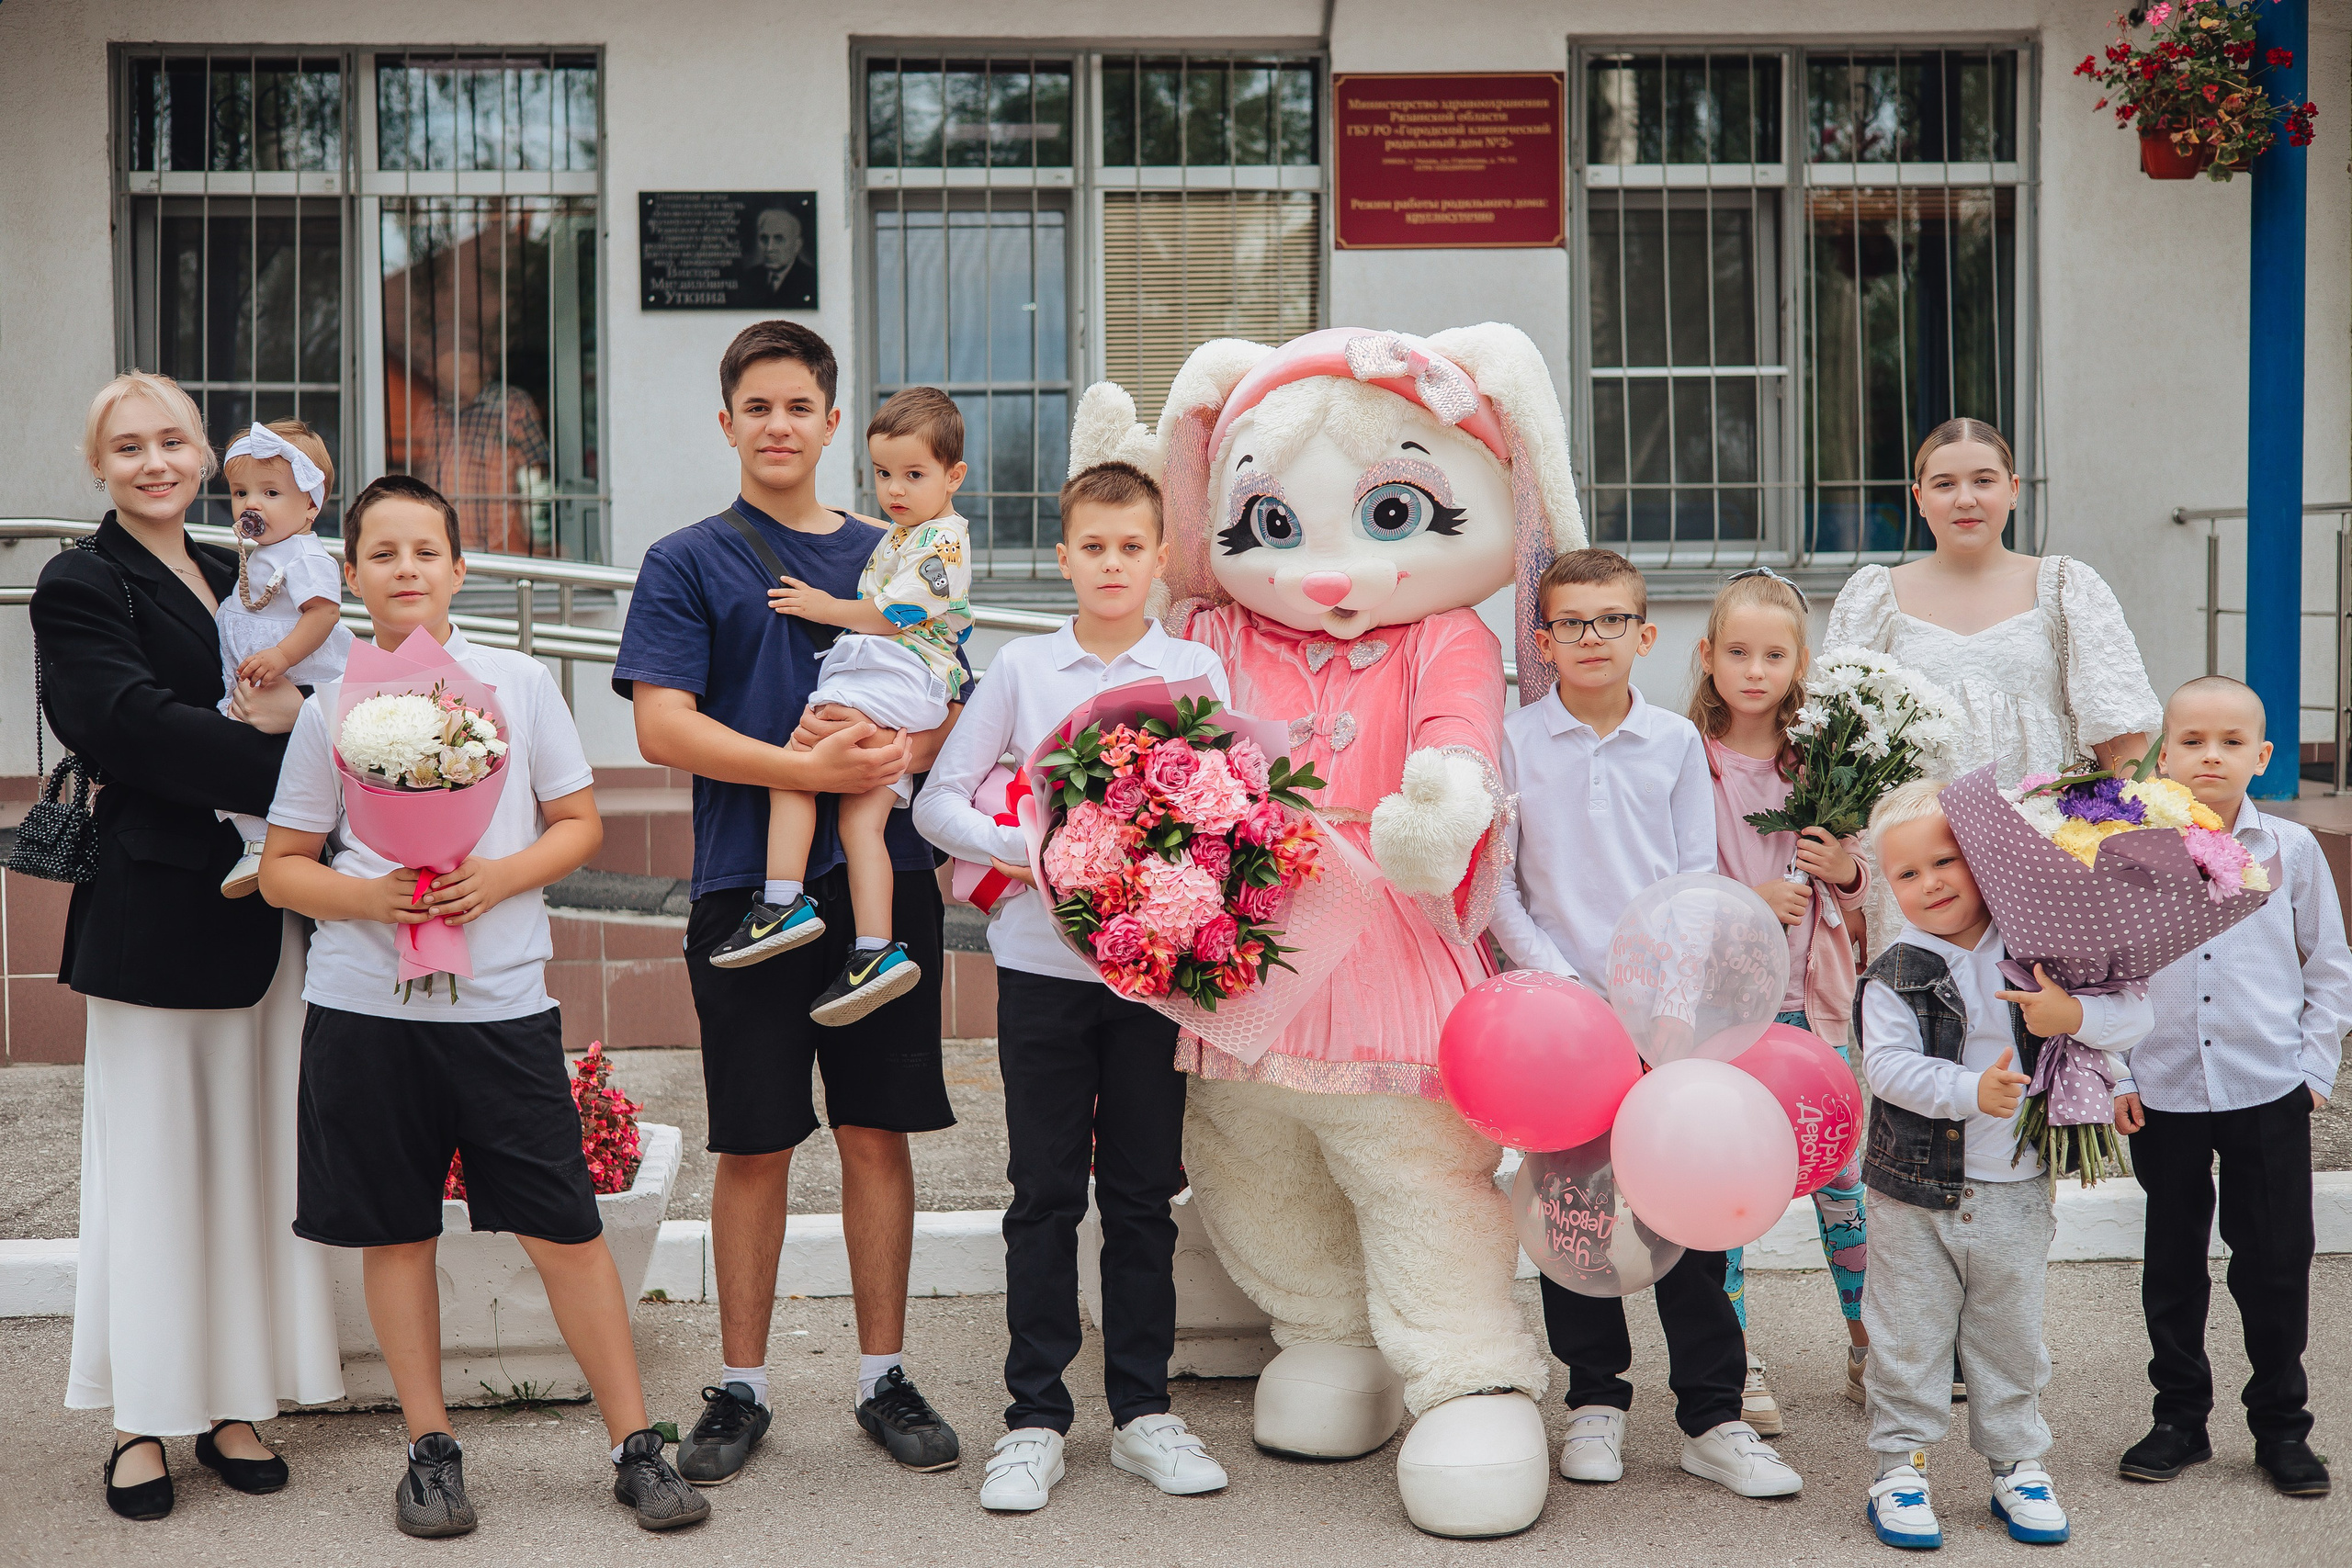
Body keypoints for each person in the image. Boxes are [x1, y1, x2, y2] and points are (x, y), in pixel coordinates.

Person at [256, 475, 707, 1537]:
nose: (405, 569)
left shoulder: (519, 681)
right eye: (382, 554)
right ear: (352, 575)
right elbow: (282, 868)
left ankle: (636, 1445)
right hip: (366, 1009)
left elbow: (578, 822)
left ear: (459, 569)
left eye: (426, 551)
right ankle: (430, 1451)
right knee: (396, 1232)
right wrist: (370, 897)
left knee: (565, 1229)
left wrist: (499, 877)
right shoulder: (332, 704)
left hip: (499, 1007)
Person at [617, 320, 963, 1485]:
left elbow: (950, 689)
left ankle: (883, 1377)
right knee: (756, 1137)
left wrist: (903, 750)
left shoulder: (898, 546)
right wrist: (804, 770)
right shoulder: (686, 560)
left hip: (882, 884)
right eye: (756, 407)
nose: (778, 425)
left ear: (831, 421)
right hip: (745, 887)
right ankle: (741, 1388)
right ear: (728, 424)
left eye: (798, 406)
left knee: (876, 1130)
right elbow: (662, 725)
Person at [38, 371, 341, 1523]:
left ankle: (233, 1403)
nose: (154, 462)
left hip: (268, 911)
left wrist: (335, 735)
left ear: (206, 454)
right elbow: (125, 725)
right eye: (128, 447)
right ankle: (141, 1418)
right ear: (99, 465)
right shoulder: (82, 581)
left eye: (172, 440)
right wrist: (305, 764)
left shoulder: (244, 566)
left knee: (251, 1165)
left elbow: (322, 681)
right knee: (156, 1171)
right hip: (156, 911)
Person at [913, 461, 1235, 1513]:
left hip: (1151, 980)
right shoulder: (1021, 669)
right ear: (1063, 557)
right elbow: (935, 804)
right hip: (1041, 971)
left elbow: (1230, 811)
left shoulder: (1192, 670)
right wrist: (1038, 849)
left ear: (1159, 559)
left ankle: (1143, 1413)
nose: (1110, 564)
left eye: (1130, 547)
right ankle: (1034, 1420)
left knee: (1142, 1195)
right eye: (1092, 546)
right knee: (1044, 1193)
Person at [1487, 548, 1802, 1500]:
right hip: (1561, 1020)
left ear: (1645, 634)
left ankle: (1712, 1416)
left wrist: (1665, 1004)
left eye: (1612, 620)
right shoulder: (1511, 743)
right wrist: (1562, 989)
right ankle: (1594, 1399)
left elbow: (1693, 877)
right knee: (1575, 1210)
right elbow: (1499, 885)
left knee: (1689, 1210)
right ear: (1543, 641)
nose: (1593, 637)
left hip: (1669, 1013)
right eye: (1571, 622)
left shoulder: (1672, 743)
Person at [1854, 778, 2153, 1550]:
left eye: (1944, 860)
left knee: (2009, 1335)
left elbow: (2131, 1011)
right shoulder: (1894, 972)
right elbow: (1886, 1068)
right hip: (1913, 1192)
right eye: (1907, 873)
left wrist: (2074, 1018)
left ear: (1984, 858)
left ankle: (2017, 1462)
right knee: (1907, 1335)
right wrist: (1968, 1090)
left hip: (2015, 1187)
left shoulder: (2038, 948)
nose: (1930, 883)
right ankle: (1900, 1466)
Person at [2112, 677, 2345, 1499]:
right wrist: (2116, 1072)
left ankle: (2282, 1426)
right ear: (2163, 754)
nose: (2211, 755)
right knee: (2173, 1262)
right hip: (2162, 1087)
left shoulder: (2291, 848)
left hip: (2267, 1085)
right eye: (2192, 740)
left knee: (2275, 1262)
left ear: (2263, 755)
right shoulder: (2129, 851)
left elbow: (2330, 964)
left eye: (2231, 741)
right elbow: (2104, 971)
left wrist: (2313, 1070)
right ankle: (2179, 1417)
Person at [1824, 417, 2161, 956]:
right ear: (1919, 498)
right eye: (1944, 484)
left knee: (2037, 999)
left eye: (1983, 480)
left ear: (2013, 489)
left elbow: (2121, 744)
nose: (1966, 499)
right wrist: (1850, 895)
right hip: (1915, 865)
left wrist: (2135, 852)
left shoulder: (2066, 587)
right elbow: (1838, 757)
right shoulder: (1874, 596)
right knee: (1923, 1001)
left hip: (2044, 846)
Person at [708, 386, 974, 1031]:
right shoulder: (912, 531)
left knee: (796, 763)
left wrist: (824, 607)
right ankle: (875, 949)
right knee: (862, 822)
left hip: (897, 672)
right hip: (903, 682)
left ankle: (781, 902)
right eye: (883, 474)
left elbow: (898, 610)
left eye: (914, 475)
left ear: (954, 476)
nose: (895, 490)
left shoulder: (942, 543)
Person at [1688, 566, 1872, 1435]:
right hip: (1728, 1010)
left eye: (1773, 654)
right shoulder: (1691, 759)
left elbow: (1866, 897)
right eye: (1737, 652)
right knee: (1730, 1182)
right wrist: (1748, 900)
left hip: (1810, 1003)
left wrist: (1847, 872)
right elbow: (1672, 879)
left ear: (1800, 663)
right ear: (1708, 656)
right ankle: (1736, 1358)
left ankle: (1869, 1338)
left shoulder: (1823, 765)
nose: (1754, 670)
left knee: (1840, 1174)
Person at [212, 419, 354, 897]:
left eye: (271, 493)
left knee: (309, 771)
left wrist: (281, 654)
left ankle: (310, 845)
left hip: (300, 675)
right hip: (262, 683)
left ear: (311, 505)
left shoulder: (305, 556)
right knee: (234, 759)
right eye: (241, 493)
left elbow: (323, 614)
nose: (251, 504)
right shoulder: (261, 552)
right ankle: (257, 842)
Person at [742, 205, 817, 309]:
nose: (769, 248)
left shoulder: (811, 280)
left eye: (779, 239)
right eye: (764, 239)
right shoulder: (749, 277)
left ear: (797, 245)